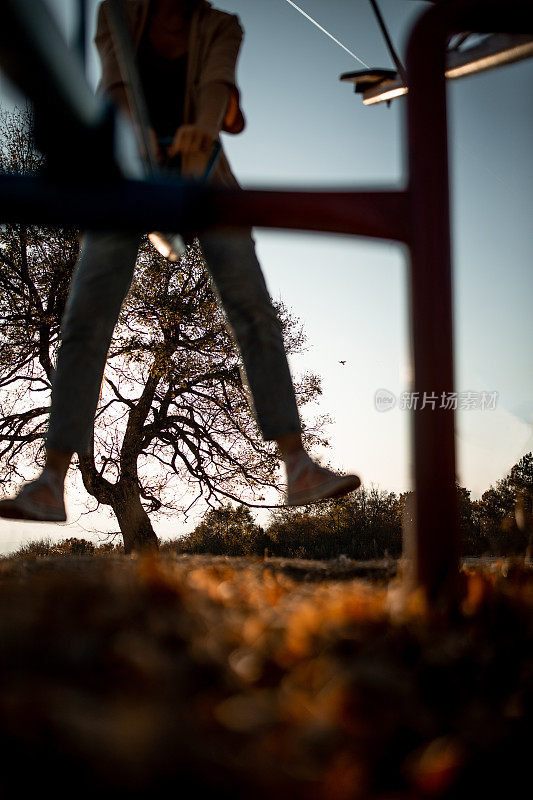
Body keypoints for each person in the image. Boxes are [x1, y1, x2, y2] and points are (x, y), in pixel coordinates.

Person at [0, 0, 360, 525]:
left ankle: (297, 465)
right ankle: (51, 480)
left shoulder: (221, 26)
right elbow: (117, 83)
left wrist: (203, 128)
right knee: (86, 314)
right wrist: (130, 134)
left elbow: (217, 85)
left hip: (205, 170)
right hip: (125, 177)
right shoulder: (116, 14)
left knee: (252, 308)